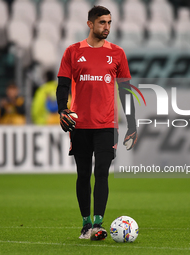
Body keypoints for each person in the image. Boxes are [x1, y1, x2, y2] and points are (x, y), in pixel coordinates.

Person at [56, 6, 137, 240]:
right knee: (83, 174)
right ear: (90, 24)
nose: (107, 27)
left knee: (102, 172)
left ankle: (99, 224)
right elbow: (62, 85)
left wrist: (131, 124)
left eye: (110, 23)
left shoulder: (118, 53)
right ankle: (85, 224)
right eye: (102, 23)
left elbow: (125, 91)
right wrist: (63, 110)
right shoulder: (72, 52)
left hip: (107, 125)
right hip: (79, 124)